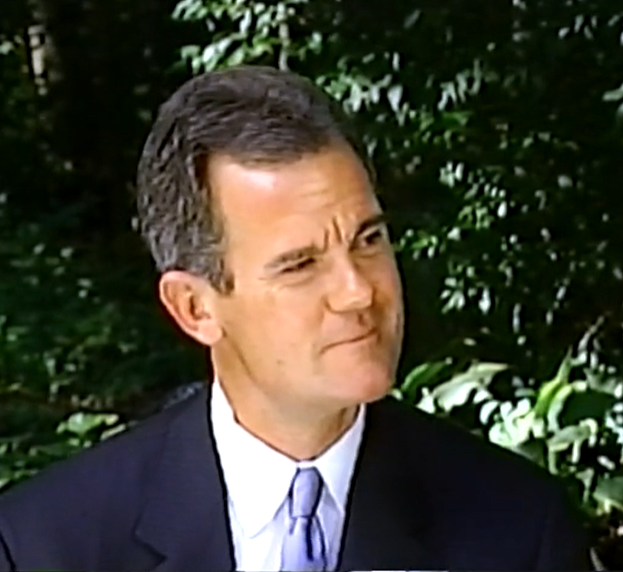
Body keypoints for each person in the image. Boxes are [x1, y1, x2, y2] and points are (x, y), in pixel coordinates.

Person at [0, 65, 593, 572]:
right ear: (195, 307)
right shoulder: (46, 545)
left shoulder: (518, 530)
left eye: (369, 239)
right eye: (300, 265)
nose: (358, 291)